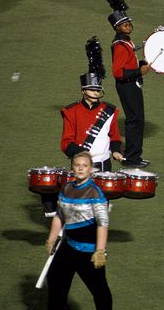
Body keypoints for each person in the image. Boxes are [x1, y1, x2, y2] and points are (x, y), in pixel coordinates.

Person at [28, 151, 114, 310]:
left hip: (88, 250)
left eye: (85, 165)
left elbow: (102, 224)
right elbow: (60, 215)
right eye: (77, 165)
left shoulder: (95, 192)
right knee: (56, 280)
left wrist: (100, 251)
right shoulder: (67, 188)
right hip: (69, 246)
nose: (81, 168)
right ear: (73, 168)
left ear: (91, 169)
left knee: (99, 289)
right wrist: (51, 239)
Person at [41, 37, 123, 217]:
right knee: (77, 209)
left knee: (100, 213)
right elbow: (66, 142)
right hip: (82, 166)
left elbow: (114, 136)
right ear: (83, 91)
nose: (96, 93)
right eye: (92, 90)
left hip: (104, 166)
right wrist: (81, 155)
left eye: (97, 90)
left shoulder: (110, 111)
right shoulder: (71, 112)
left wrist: (116, 150)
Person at [109, 11, 151, 168]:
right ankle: (132, 158)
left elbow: (128, 64)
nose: (127, 27)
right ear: (117, 28)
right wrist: (139, 71)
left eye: (128, 24)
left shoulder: (126, 41)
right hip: (127, 85)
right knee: (134, 120)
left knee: (138, 120)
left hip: (132, 83)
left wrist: (140, 64)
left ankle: (135, 156)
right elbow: (118, 72)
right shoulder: (119, 45)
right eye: (123, 25)